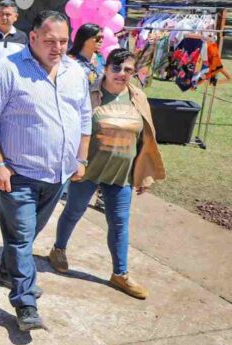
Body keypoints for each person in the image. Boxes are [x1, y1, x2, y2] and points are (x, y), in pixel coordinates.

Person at [0, 10, 92, 332]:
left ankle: (7, 270)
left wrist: (81, 158)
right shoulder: (6, 71)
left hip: (57, 175)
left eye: (64, 41)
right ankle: (25, 302)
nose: (58, 48)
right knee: (22, 237)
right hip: (18, 175)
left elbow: (84, 116)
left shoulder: (74, 72)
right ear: (33, 38)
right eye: (50, 41)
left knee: (26, 236)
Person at [49, 48, 165, 299]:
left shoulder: (137, 97)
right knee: (74, 212)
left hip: (121, 174)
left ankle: (120, 274)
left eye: (128, 70)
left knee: (120, 223)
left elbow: (146, 138)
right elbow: (71, 128)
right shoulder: (89, 93)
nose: (121, 73)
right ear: (106, 68)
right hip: (88, 170)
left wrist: (144, 175)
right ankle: (58, 249)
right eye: (116, 68)